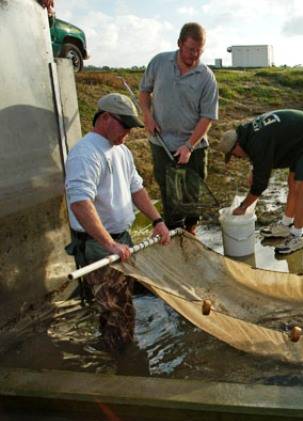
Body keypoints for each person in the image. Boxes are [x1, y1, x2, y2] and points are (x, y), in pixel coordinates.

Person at [65, 93, 171, 352]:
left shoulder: (121, 151)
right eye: (124, 125)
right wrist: (109, 243)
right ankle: (120, 366)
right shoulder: (85, 153)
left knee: (122, 305)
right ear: (105, 119)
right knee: (116, 313)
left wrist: (157, 220)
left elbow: (137, 189)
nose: (128, 132)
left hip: (120, 240)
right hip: (100, 246)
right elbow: (80, 202)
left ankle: (117, 349)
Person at [139, 22, 219, 234]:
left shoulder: (206, 77)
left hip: (194, 146)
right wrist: (147, 116)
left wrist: (189, 146)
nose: (195, 56)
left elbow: (207, 117)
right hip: (161, 142)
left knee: (193, 195)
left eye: (199, 51)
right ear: (180, 43)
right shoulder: (159, 63)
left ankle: (191, 231)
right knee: (169, 193)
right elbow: (144, 92)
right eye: (191, 50)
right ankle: (174, 232)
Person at [216, 109, 303, 255]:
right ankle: (286, 225)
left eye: (234, 155)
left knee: (300, 188)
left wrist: (243, 206)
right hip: (299, 139)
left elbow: (260, 184)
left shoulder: (257, 141)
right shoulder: (248, 133)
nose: (237, 158)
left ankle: (297, 236)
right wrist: (254, 169)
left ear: (237, 145)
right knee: (292, 183)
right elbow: (260, 150)